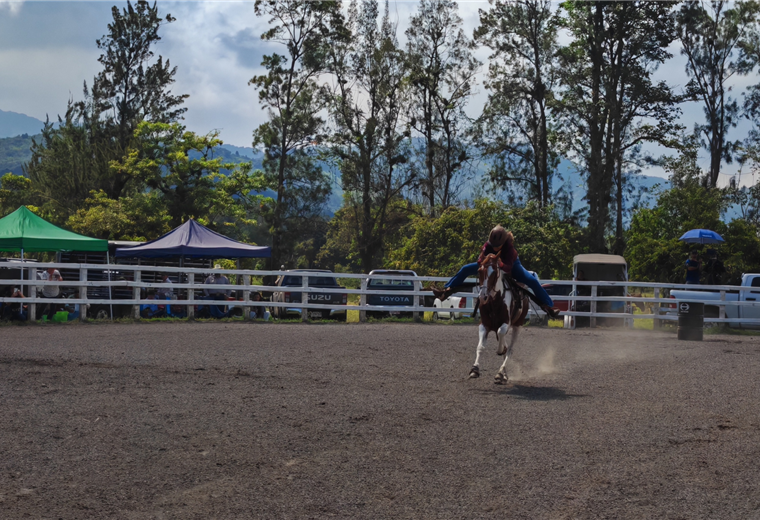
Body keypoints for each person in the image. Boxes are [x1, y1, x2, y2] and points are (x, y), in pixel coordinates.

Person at [430, 225, 561, 319]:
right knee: (465, 269)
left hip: (512, 266)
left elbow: (509, 268)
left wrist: (500, 263)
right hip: (491, 264)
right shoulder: (488, 246)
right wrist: (485, 263)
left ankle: (549, 306)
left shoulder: (510, 248)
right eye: (493, 246)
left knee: (532, 281)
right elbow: (480, 260)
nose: (495, 248)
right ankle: (446, 291)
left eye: (498, 246)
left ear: (504, 243)